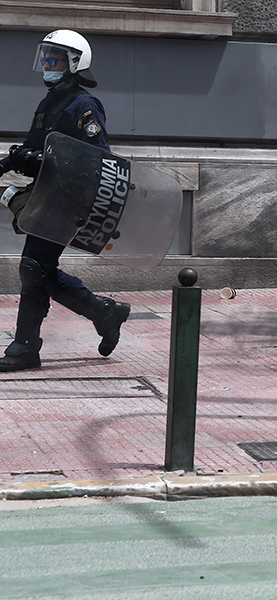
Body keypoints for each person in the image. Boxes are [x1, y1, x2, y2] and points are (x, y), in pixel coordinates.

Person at [0, 30, 130, 372]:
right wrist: (5, 163)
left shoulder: (84, 106)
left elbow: (98, 158)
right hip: (48, 195)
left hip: (70, 200)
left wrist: (43, 161)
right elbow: (32, 147)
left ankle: (25, 348)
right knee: (38, 270)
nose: (46, 63)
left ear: (75, 63)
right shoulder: (49, 102)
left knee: (33, 268)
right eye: (45, 57)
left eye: (54, 58)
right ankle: (103, 311)